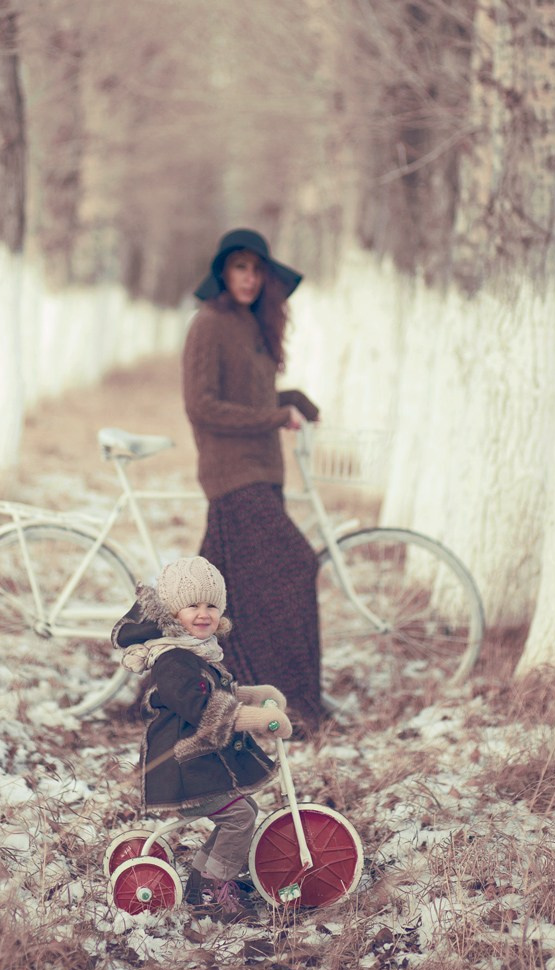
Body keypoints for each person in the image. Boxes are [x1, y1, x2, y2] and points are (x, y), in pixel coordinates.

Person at [183, 228, 325, 735]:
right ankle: (301, 702)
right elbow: (202, 405)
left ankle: (202, 696)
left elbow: (251, 396)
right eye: (240, 267)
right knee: (296, 566)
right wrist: (273, 416)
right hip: (231, 473)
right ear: (223, 272)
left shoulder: (251, 324)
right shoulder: (209, 324)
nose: (249, 277)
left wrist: (293, 398)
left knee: (222, 598)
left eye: (257, 269)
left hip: (263, 472)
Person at [112, 555, 293, 922]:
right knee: (240, 816)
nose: (203, 613)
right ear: (173, 612)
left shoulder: (198, 651)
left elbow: (215, 691)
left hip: (199, 762)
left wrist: (253, 695)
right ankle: (213, 887)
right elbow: (202, 708)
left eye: (211, 604)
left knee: (245, 812)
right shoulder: (173, 660)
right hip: (182, 768)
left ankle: (203, 876)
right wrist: (260, 719)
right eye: (191, 605)